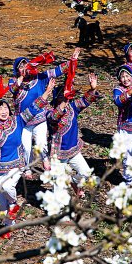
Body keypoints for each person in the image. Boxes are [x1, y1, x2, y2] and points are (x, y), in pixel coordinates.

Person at [0, 79, 56, 238]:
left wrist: (47, 92)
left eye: (5, 108)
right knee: (1, 202)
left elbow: (34, 107)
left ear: (10, 110)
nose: (3, 111)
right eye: (0, 108)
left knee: (8, 187)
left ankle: (14, 203)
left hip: (17, 163)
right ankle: (8, 226)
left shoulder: (18, 120)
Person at [9, 54, 74, 177]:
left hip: (40, 119)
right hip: (23, 121)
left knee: (41, 143)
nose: (24, 68)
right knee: (26, 147)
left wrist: (72, 60)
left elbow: (57, 71)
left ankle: (45, 160)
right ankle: (27, 167)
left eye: (26, 65)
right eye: (21, 67)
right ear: (17, 70)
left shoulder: (40, 77)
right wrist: (21, 78)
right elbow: (12, 89)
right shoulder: (13, 81)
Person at [47, 69, 100, 198]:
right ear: (56, 99)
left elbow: (85, 100)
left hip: (73, 150)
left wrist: (93, 88)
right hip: (58, 154)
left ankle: (73, 181)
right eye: (61, 97)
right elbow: (54, 118)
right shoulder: (49, 112)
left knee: (86, 174)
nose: (65, 100)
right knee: (58, 186)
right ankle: (57, 208)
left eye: (66, 96)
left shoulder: (72, 108)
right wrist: (63, 102)